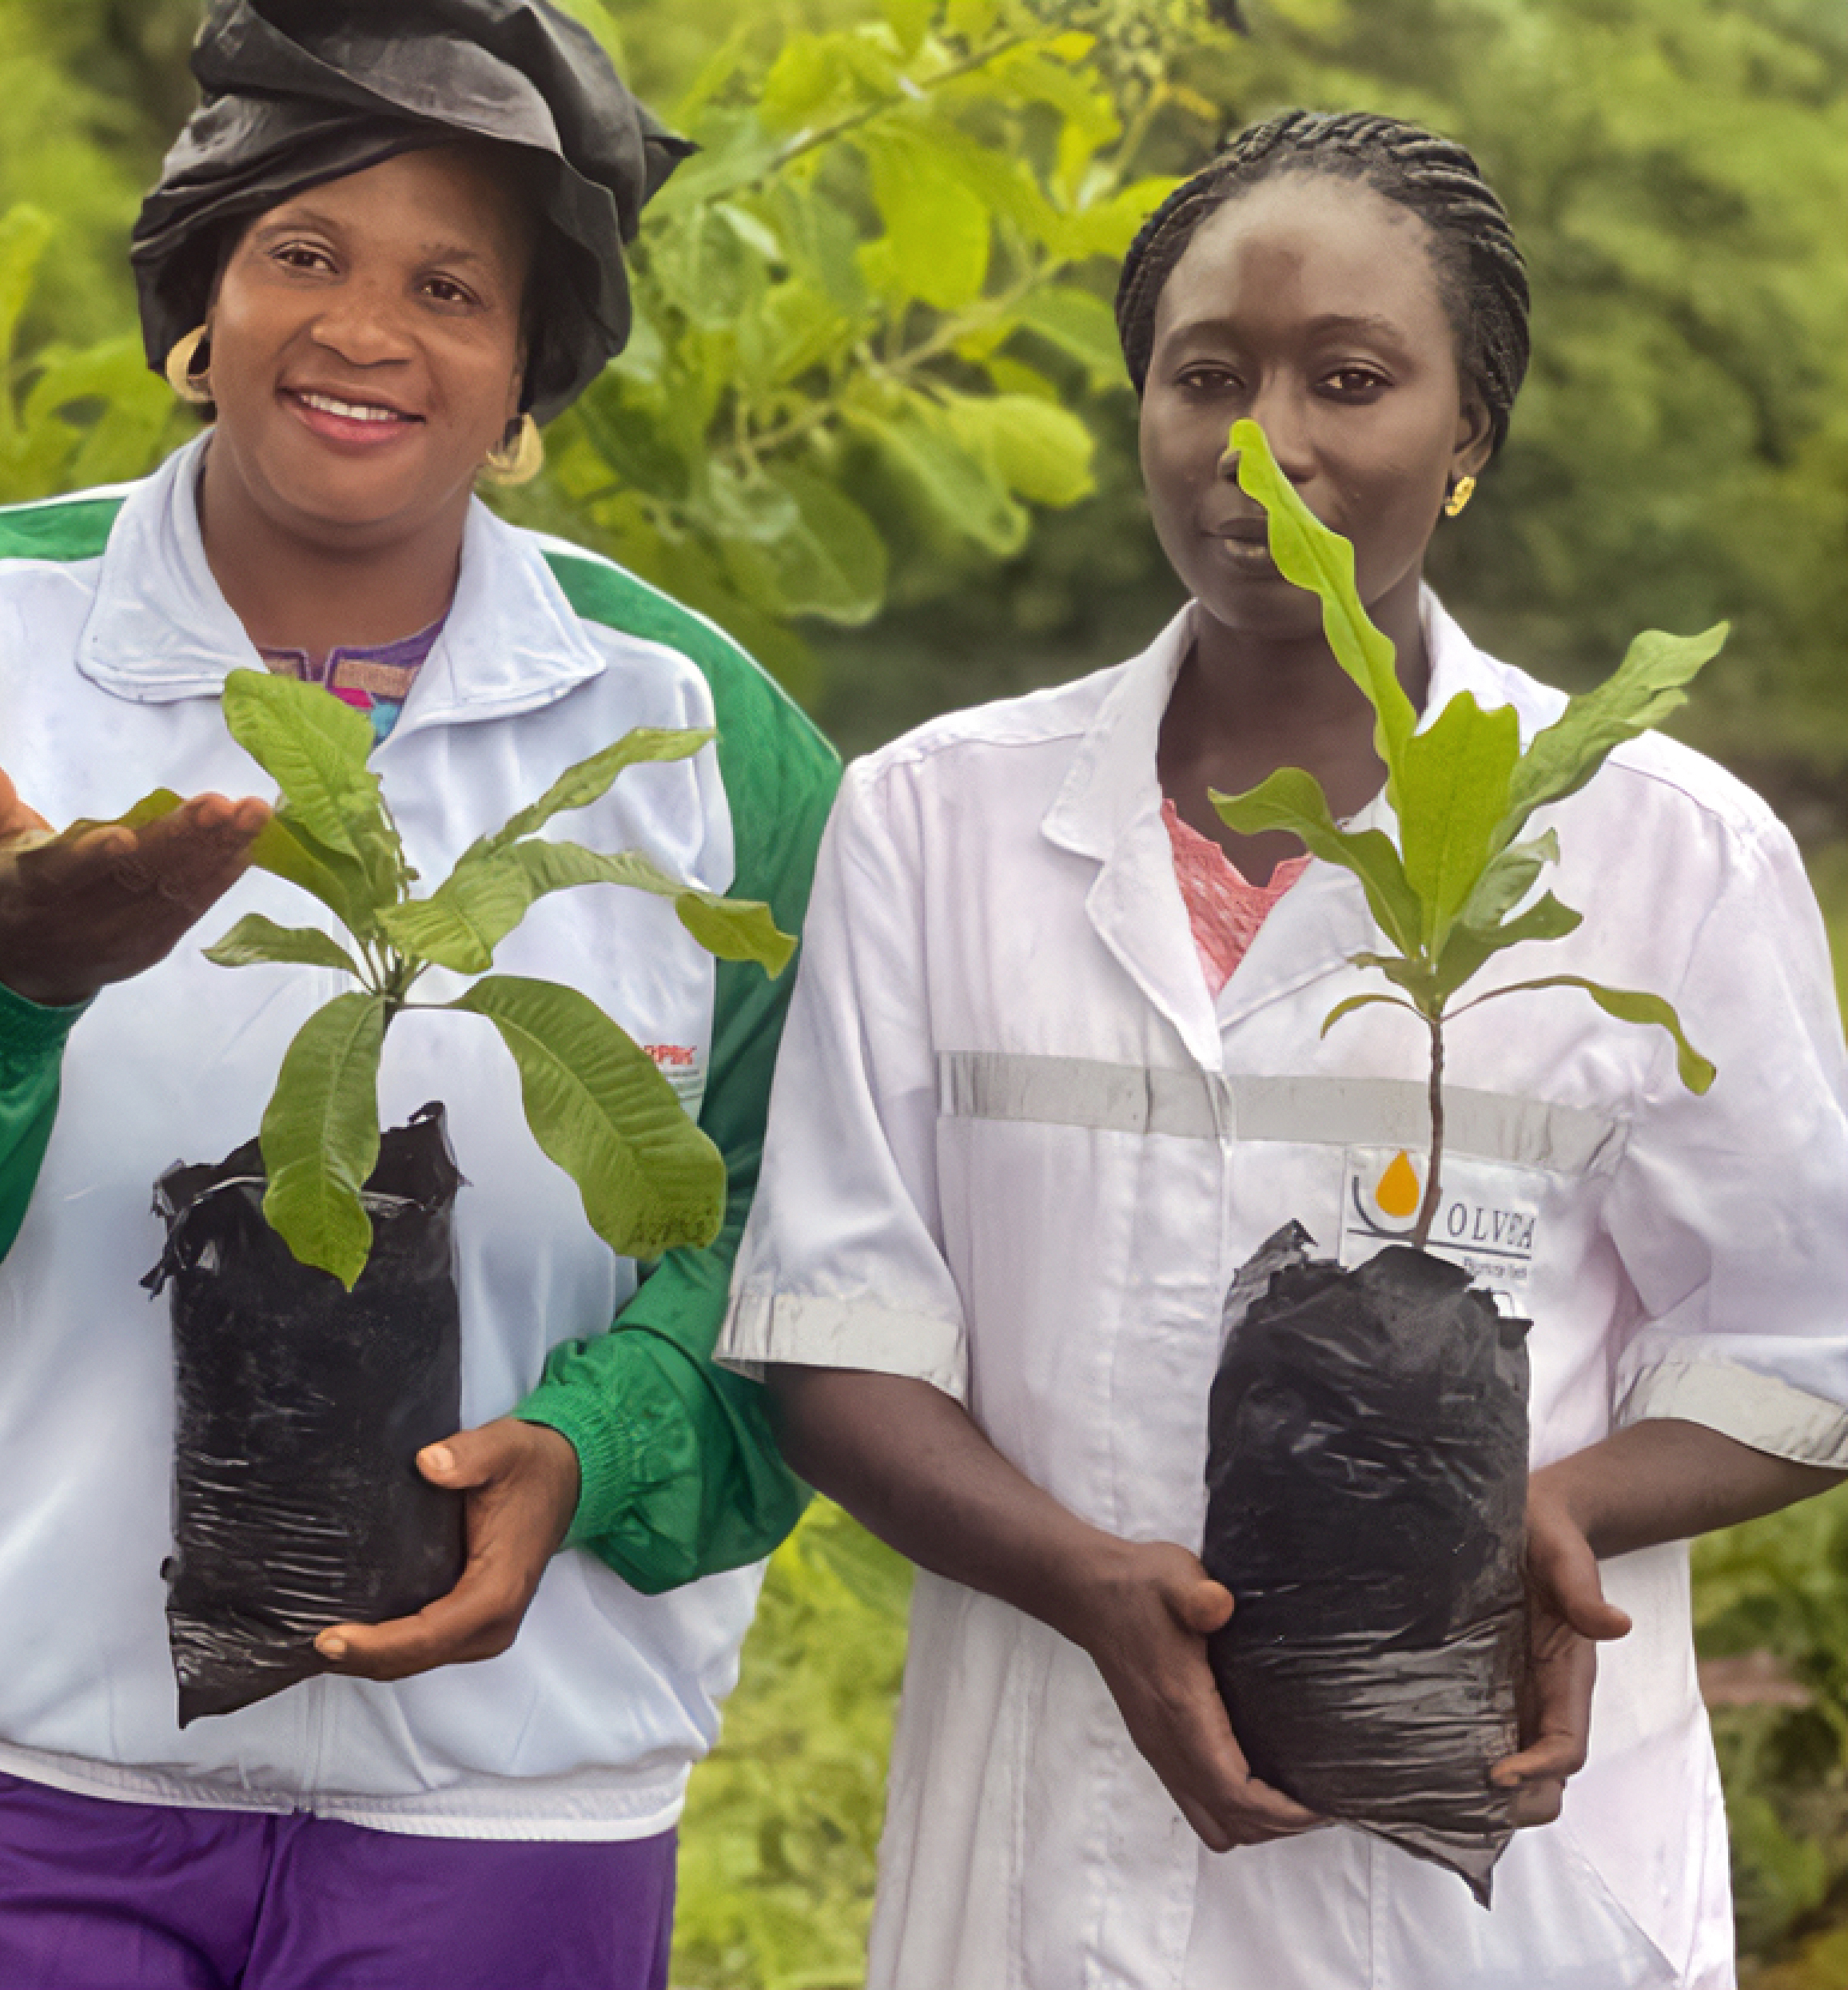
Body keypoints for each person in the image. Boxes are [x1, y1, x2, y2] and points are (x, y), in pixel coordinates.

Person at [0, 3, 838, 1985]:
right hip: (20, 1794)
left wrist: (594, 1448)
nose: (366, 329)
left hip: (510, 1811)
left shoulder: (704, 731)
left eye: (451, 286)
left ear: (530, 365)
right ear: (200, 291)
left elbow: (821, 1246)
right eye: (303, 253)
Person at [720, 109, 1848, 1990]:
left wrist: (1545, 1513)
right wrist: (1088, 1588)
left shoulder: (1665, 852)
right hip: (1053, 1847)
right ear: (1143, 410)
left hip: (1496, 1872)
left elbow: (1804, 1345)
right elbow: (840, 1335)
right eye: (1207, 378)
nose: (1269, 444)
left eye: (1352, 381)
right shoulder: (933, 820)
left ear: (1468, 436)